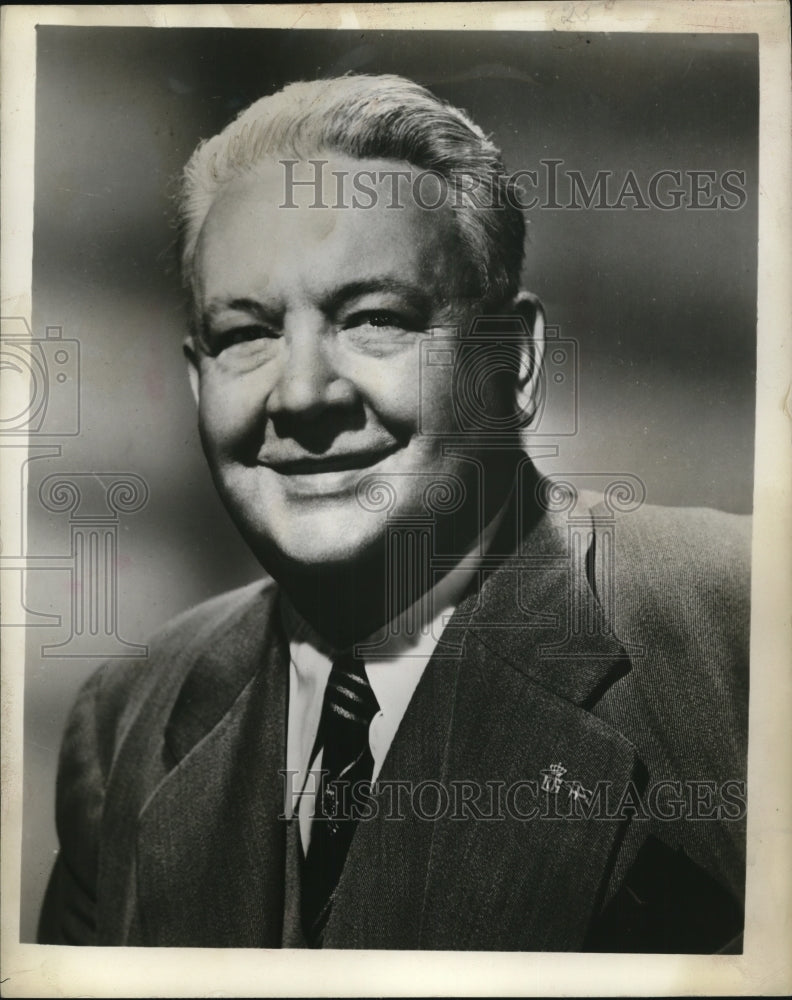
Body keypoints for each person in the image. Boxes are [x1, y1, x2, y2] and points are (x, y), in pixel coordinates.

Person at [38, 74, 750, 951]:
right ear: (198, 379)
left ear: (513, 363)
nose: (301, 395)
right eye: (246, 334)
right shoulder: (127, 721)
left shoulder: (742, 630)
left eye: (373, 317)